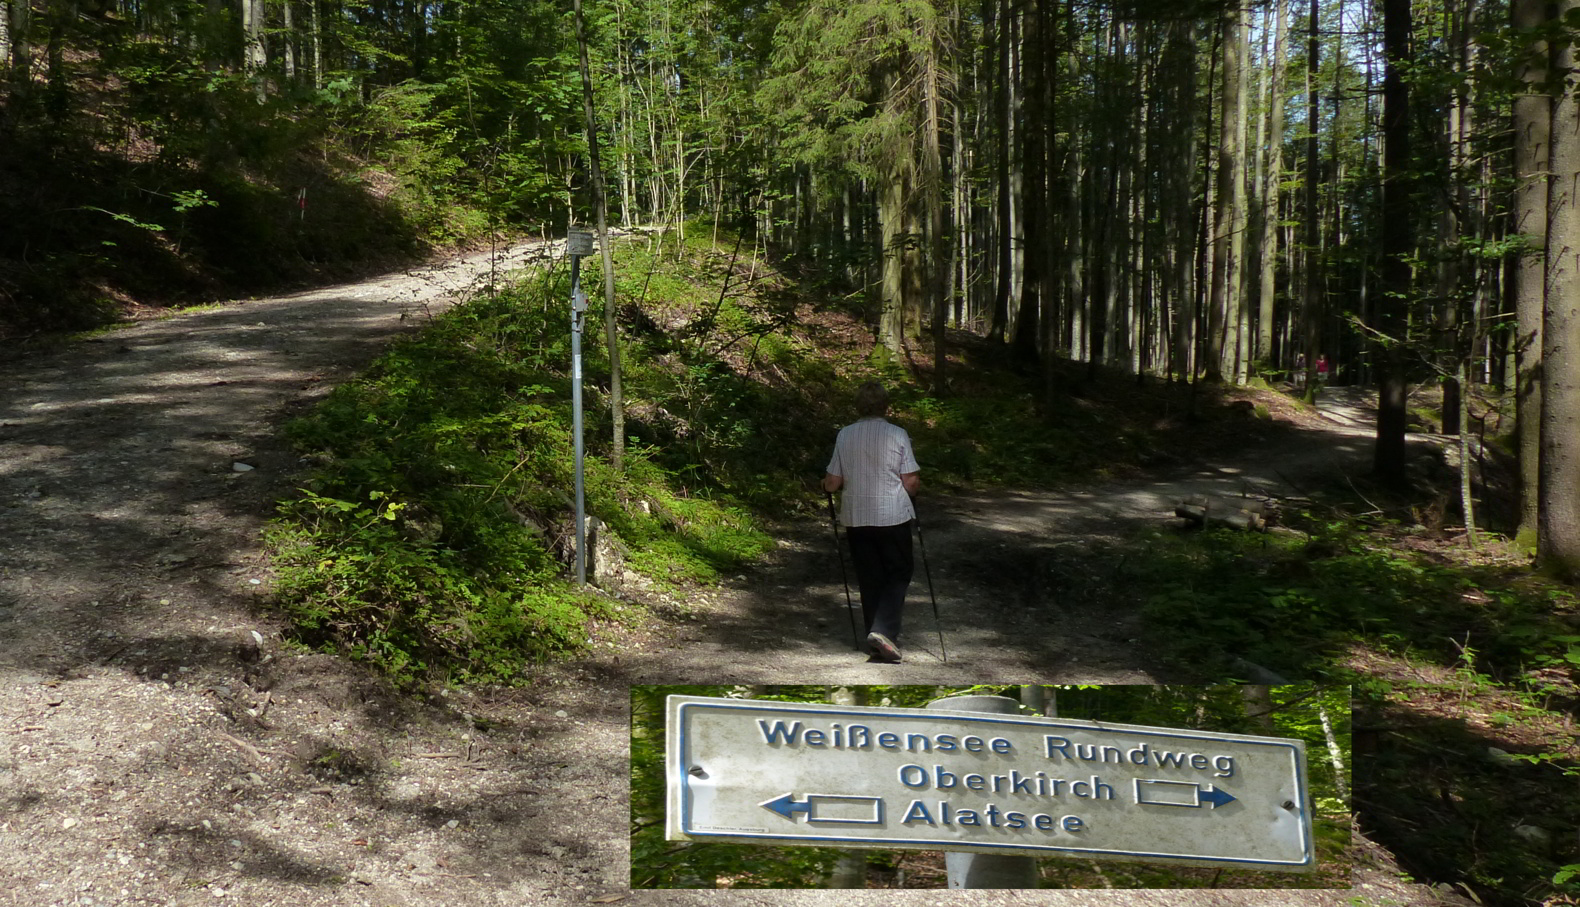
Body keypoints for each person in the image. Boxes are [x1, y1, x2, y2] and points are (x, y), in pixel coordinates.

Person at [822, 381, 920, 663]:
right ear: (885, 405)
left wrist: (825, 486)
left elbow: (832, 483)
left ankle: (875, 636)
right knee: (899, 572)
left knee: (870, 576)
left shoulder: (845, 435)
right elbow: (910, 481)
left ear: (858, 405)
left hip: (857, 516)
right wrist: (914, 493)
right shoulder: (897, 433)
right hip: (892, 516)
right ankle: (883, 631)